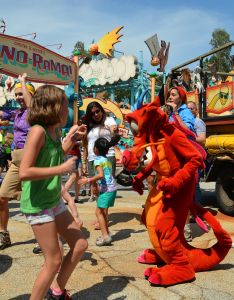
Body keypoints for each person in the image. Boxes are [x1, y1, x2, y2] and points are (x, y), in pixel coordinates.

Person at [19, 85, 88, 300]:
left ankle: (57, 291)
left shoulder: (55, 131)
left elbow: (57, 155)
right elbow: (24, 172)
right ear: (53, 108)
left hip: (53, 200)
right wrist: (61, 169)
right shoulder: (37, 131)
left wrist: (73, 139)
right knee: (53, 260)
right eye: (66, 107)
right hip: (39, 204)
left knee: (80, 244)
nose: (69, 112)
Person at [0, 73, 34, 250]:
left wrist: (22, 82)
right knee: (1, 196)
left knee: (36, 203)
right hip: (16, 161)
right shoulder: (17, 112)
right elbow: (1, 112)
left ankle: (47, 239)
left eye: (22, 94)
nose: (19, 97)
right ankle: (4, 236)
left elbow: (30, 104)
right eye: (17, 94)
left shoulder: (35, 111)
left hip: (32, 161)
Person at [165, 86, 195, 242]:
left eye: (173, 95)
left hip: (184, 160)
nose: (170, 97)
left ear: (180, 98)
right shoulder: (170, 114)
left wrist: (176, 112)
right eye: (169, 95)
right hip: (172, 159)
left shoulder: (185, 112)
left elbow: (188, 131)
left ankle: (187, 230)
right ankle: (174, 228)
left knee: (183, 196)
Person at [82, 102, 118, 231]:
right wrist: (84, 162)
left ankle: (105, 218)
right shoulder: (90, 126)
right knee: (96, 189)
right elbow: (86, 144)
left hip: (106, 158)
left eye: (97, 111)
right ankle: (101, 215)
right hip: (92, 159)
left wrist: (115, 130)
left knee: (104, 188)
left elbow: (114, 129)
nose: (96, 114)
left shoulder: (108, 120)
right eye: (92, 113)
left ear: (101, 110)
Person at [79, 135, 120, 246]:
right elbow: (108, 175)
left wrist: (87, 180)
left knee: (99, 213)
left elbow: (101, 175)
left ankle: (105, 236)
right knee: (102, 212)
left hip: (106, 191)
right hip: (111, 189)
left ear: (95, 149)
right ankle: (107, 233)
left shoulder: (97, 160)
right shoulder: (107, 160)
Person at [187, 101, 206, 215]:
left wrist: (188, 135)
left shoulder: (198, 122)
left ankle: (198, 212)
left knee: (195, 185)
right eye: (188, 109)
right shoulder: (187, 121)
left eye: (192, 108)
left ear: (196, 110)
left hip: (196, 157)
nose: (190, 110)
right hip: (189, 156)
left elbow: (202, 140)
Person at [63, 123, 83, 204]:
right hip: (70, 154)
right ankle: (63, 197)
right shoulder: (75, 127)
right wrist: (78, 142)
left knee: (79, 176)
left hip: (77, 154)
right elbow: (66, 140)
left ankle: (77, 197)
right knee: (73, 176)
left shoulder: (84, 129)